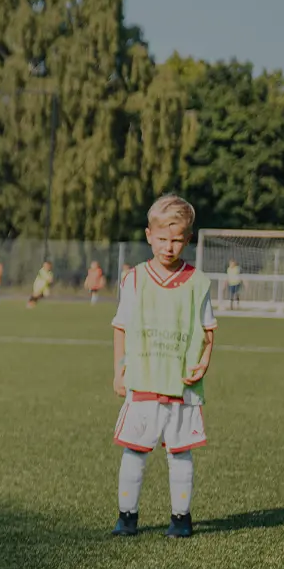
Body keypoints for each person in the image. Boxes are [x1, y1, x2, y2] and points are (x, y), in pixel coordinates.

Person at [110, 194, 215, 539]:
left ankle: (180, 518)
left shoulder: (198, 282)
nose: (168, 247)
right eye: (161, 239)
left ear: (188, 239)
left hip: (182, 385)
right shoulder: (134, 279)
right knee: (135, 451)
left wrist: (204, 362)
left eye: (176, 240)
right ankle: (127, 517)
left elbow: (208, 331)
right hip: (143, 380)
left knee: (180, 453)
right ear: (148, 235)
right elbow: (121, 326)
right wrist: (119, 369)